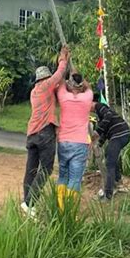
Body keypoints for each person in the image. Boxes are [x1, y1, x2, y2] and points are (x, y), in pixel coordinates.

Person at [21, 45, 70, 216]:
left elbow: (58, 87)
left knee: (31, 169)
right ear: (46, 78)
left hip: (32, 134)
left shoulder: (35, 91)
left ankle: (27, 203)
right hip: (44, 132)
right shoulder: (45, 86)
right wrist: (63, 58)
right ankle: (30, 201)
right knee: (46, 169)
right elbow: (59, 73)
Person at [56, 72, 93, 208]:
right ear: (81, 84)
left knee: (62, 175)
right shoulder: (88, 97)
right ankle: (70, 212)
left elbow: (60, 82)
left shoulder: (63, 96)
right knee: (75, 179)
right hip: (80, 143)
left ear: (69, 85)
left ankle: (61, 209)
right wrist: (82, 81)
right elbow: (88, 86)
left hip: (63, 141)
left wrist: (67, 80)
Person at [91, 95, 130, 200]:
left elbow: (108, 115)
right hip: (120, 135)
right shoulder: (99, 117)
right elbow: (104, 131)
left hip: (120, 134)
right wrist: (98, 144)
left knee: (109, 163)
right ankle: (117, 180)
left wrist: (97, 131)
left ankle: (108, 194)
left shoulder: (99, 106)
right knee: (109, 155)